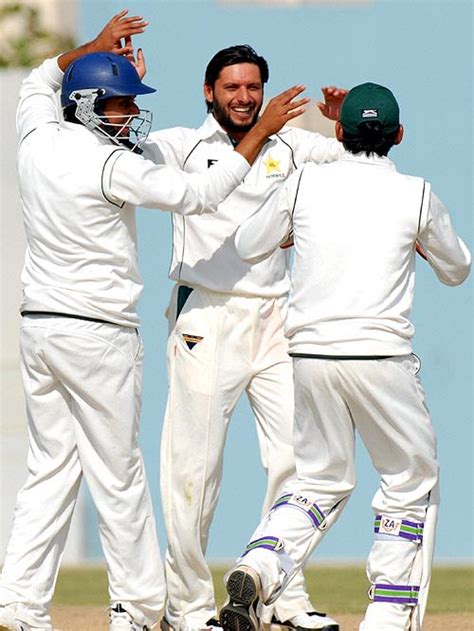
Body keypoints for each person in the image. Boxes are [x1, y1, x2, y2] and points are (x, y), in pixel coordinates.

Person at [0, 12, 307, 631]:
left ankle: (19, 605)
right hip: (97, 333)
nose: (127, 114)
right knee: (119, 475)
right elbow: (199, 194)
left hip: (38, 327)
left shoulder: (34, 133)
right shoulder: (109, 165)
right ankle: (139, 611)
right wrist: (260, 131)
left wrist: (93, 50)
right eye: (115, 103)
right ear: (84, 105)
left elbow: (37, 78)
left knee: (50, 469)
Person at [220, 82, 471, 631]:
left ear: (339, 132)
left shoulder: (304, 181)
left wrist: (291, 229)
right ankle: (386, 613)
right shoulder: (417, 193)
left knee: (318, 479)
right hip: (382, 357)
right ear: (399, 136)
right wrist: (423, 243)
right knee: (410, 481)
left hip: (310, 355)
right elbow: (458, 269)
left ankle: (259, 565)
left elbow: (247, 244)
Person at [145, 45, 346, 631]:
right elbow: (127, 153)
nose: (244, 98)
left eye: (253, 88)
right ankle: (185, 608)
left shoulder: (292, 144)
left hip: (276, 316)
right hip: (206, 317)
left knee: (296, 461)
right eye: (231, 88)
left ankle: (279, 594)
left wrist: (337, 122)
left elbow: (366, 158)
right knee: (194, 470)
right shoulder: (182, 145)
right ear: (209, 92)